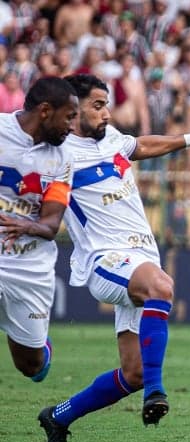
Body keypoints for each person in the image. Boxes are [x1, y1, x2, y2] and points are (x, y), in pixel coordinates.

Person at [37, 74, 190, 442]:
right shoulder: (58, 156)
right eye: (98, 105)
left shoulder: (111, 140)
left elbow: (141, 145)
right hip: (105, 259)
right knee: (161, 287)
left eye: (107, 104)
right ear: (73, 110)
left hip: (141, 257)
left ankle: (58, 417)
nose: (107, 113)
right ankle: (157, 392)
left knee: (133, 373)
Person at [0, 76, 78, 383]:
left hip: (29, 268)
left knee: (31, 366)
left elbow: (51, 224)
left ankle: (39, 346)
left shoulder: (62, 158)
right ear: (45, 111)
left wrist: (27, 225)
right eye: (69, 117)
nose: (72, 126)